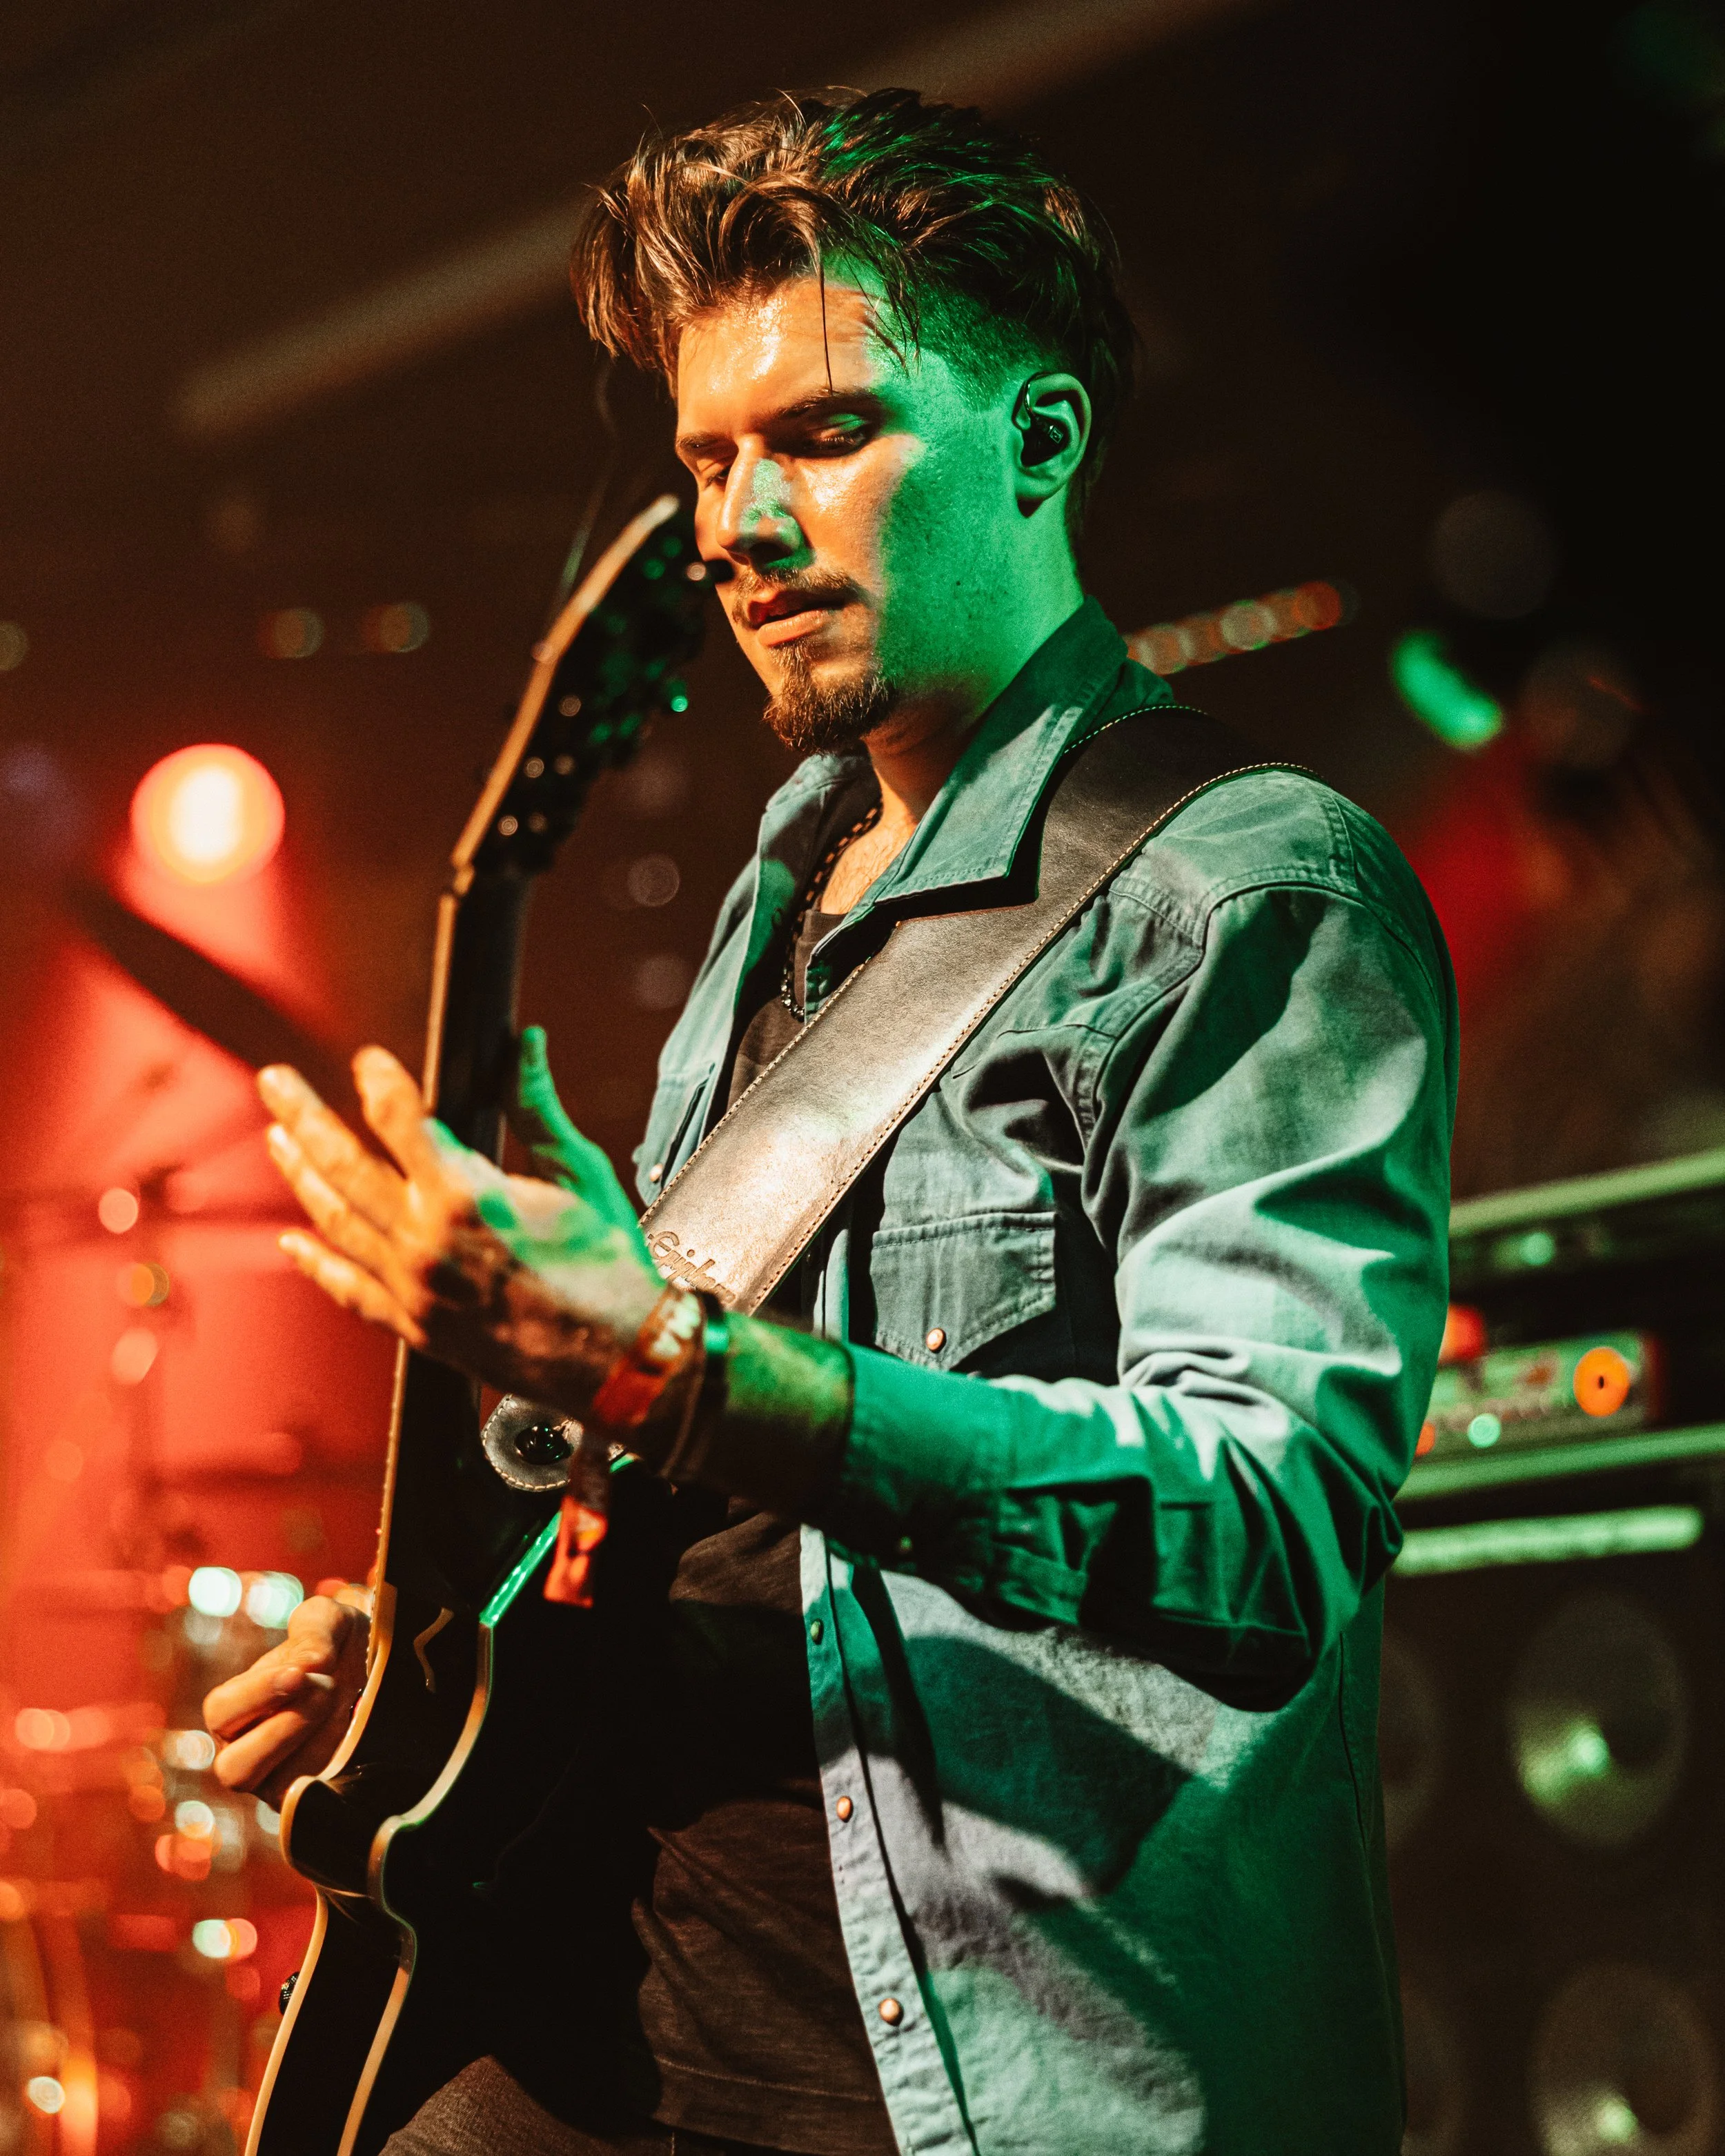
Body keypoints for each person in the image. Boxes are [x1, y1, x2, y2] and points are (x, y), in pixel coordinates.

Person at [204, 88, 1455, 2156]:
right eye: (705, 457)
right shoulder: (781, 883)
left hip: (978, 2064)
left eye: (819, 433)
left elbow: (1267, 1521)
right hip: (607, 2003)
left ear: (1039, 445)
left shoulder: (1250, 885)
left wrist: (673, 1360)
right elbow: (695, 1522)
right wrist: (446, 1674)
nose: (731, 520)